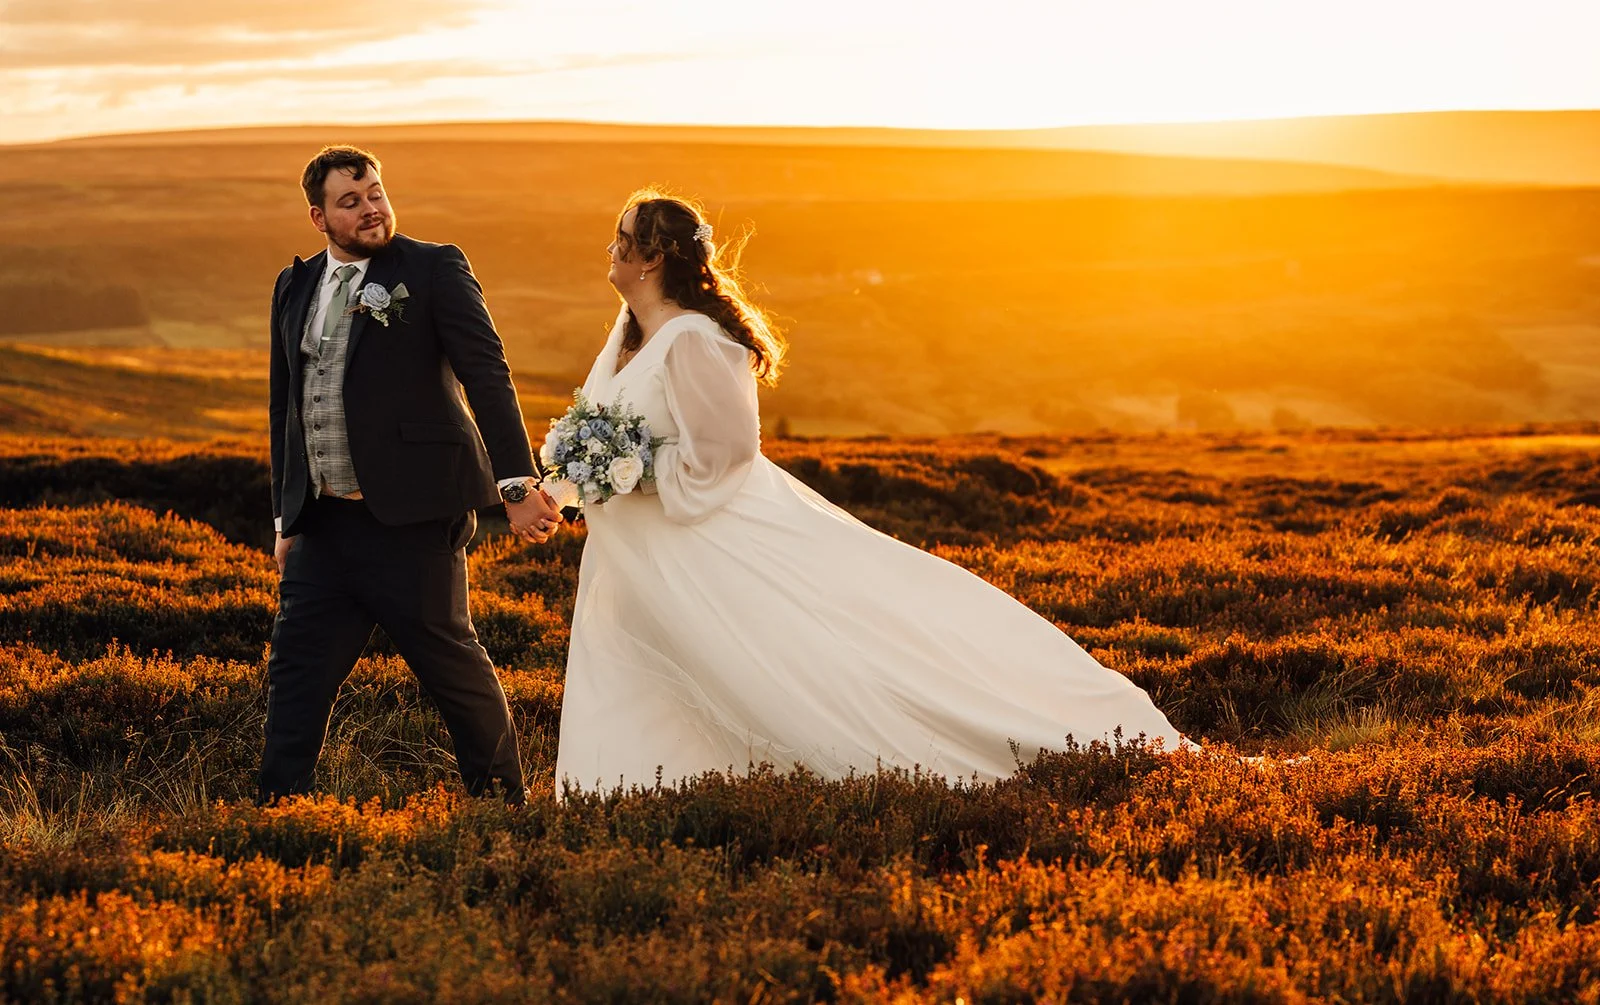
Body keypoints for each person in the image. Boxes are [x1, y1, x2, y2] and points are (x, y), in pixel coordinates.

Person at [552, 190, 1190, 794]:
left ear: (653, 257)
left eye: (620, 239)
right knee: (645, 667)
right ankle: (634, 792)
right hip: (633, 556)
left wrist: (631, 470)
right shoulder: (628, 335)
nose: (609, 250)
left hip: (701, 546)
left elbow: (723, 457)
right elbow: (605, 427)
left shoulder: (694, 338)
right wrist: (576, 476)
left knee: (779, 666)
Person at [261, 145, 563, 805]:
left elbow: (487, 375)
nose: (371, 208)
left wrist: (515, 486)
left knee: (452, 669)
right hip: (323, 524)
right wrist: (287, 519)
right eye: (350, 200)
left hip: (413, 520)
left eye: (375, 192)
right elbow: (286, 402)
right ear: (319, 217)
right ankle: (278, 813)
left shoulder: (431, 269)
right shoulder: (296, 284)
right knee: (295, 675)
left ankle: (504, 805)